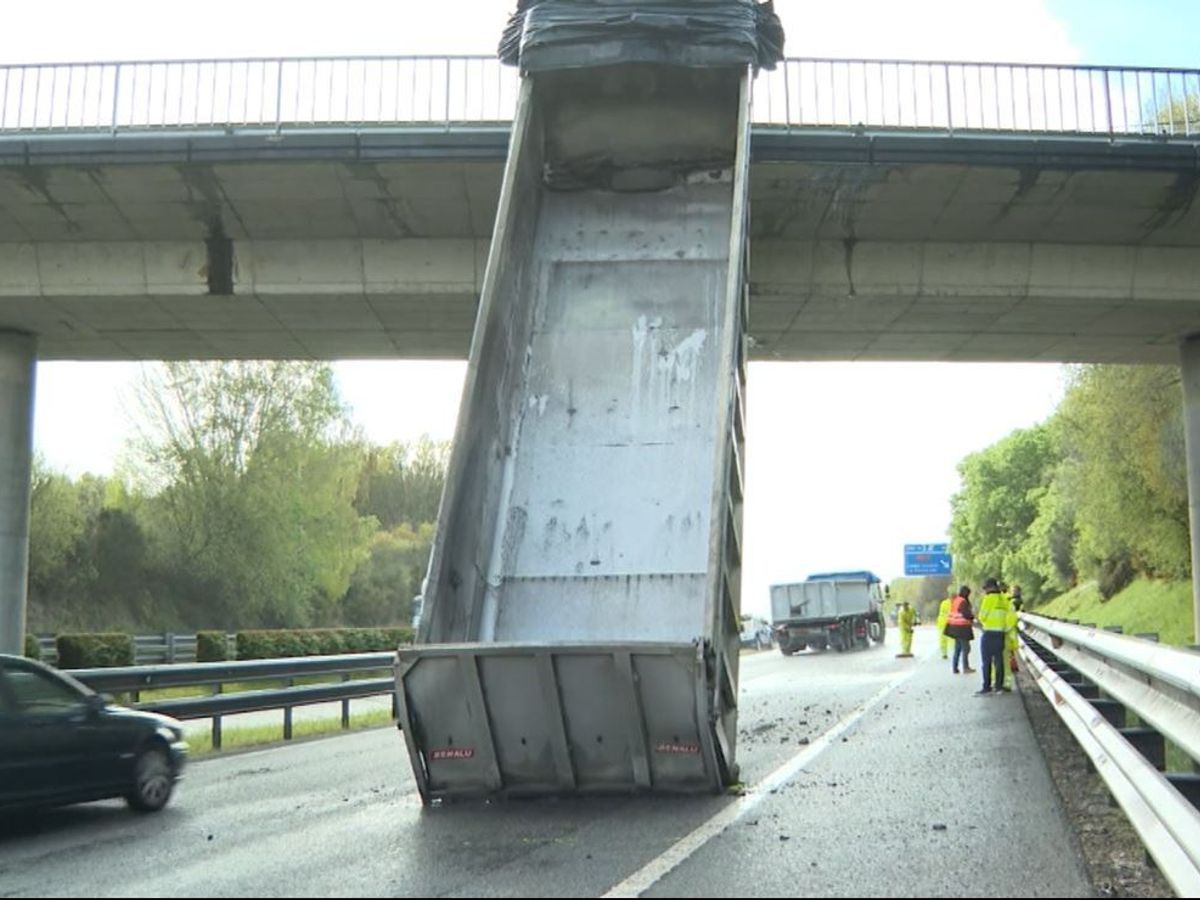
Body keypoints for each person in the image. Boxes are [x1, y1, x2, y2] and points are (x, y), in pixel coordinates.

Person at [976, 577, 1013, 695]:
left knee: (986, 662)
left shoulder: (988, 599)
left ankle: (986, 687)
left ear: (990, 587)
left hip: (988, 634)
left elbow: (982, 617)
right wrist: (1004, 629)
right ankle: (999, 686)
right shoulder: (1004, 599)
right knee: (999, 661)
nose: (985, 590)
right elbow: (1010, 616)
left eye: (986, 588)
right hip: (1000, 634)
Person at [944, 585, 975, 674]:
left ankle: (955, 667)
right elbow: (966, 614)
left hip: (954, 627)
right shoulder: (963, 602)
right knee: (966, 648)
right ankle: (966, 667)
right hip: (962, 628)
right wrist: (972, 617)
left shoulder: (956, 600)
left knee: (958, 648)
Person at [936, 587, 954, 660]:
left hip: (941, 623)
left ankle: (944, 654)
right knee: (951, 639)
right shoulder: (953, 603)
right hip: (949, 622)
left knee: (943, 639)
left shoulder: (943, 602)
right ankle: (953, 652)